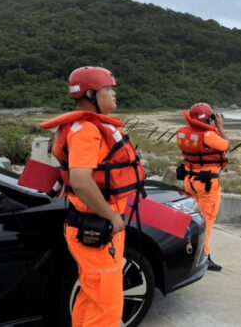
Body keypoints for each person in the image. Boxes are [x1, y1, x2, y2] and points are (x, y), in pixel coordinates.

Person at [40, 66, 145, 327]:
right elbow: (81, 181)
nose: (114, 95)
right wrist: (112, 216)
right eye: (109, 90)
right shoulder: (88, 130)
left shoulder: (81, 127)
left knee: (91, 296)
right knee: (107, 308)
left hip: (92, 225)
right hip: (97, 227)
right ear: (91, 94)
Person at [176, 102, 229, 271]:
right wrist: (219, 126)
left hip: (189, 181)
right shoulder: (209, 135)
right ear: (208, 118)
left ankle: (187, 252)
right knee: (206, 221)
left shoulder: (184, 134)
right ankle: (203, 257)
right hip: (207, 184)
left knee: (190, 219)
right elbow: (226, 145)